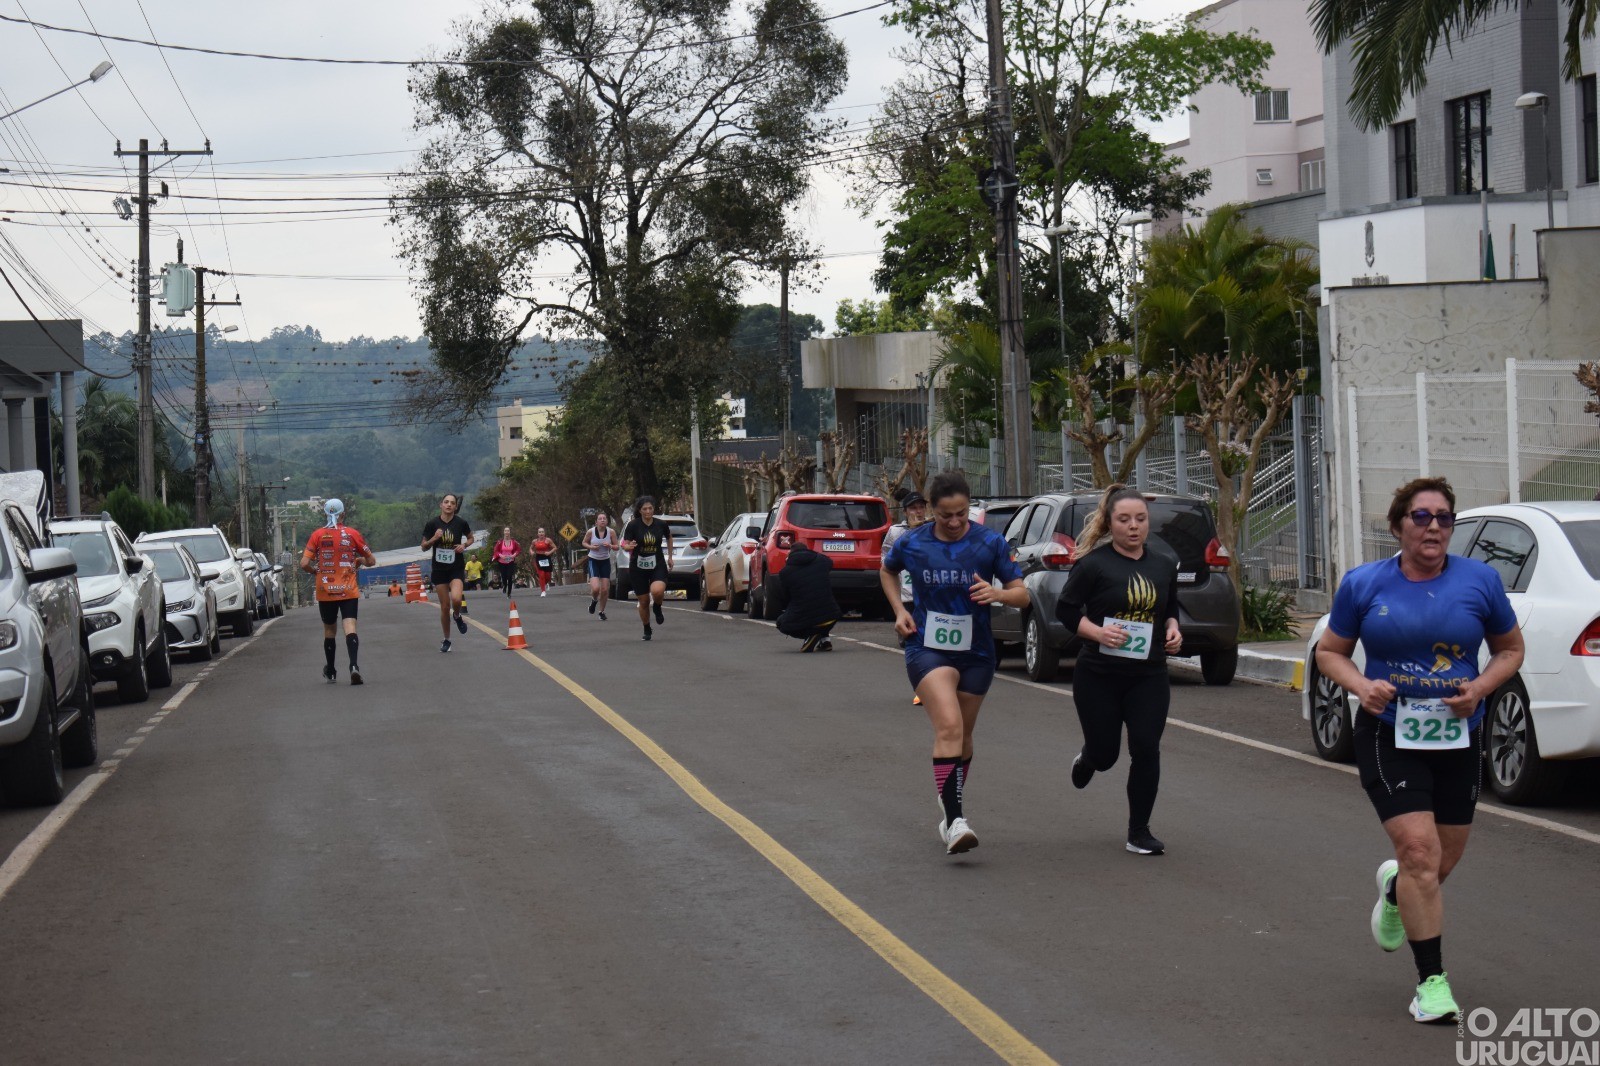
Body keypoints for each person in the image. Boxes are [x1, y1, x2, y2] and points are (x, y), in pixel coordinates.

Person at [1315, 477, 1524, 1025]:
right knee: (1419, 854)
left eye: (1444, 518)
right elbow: (1330, 653)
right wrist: (1362, 687)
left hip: (1459, 734)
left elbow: (1510, 649)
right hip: (1389, 732)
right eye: (1422, 517)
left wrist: (1479, 689)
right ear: (1398, 526)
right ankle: (1432, 984)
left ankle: (1393, 892)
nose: (1434, 527)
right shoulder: (1364, 584)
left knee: (1438, 863)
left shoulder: (1481, 581)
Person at [881, 470, 1026, 855]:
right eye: (947, 515)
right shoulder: (913, 542)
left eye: (962, 513)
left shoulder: (990, 543)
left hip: (978, 651)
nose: (956, 521)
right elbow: (887, 570)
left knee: (963, 734)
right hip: (927, 645)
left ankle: (948, 806)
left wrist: (998, 593)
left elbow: (1022, 596)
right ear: (931, 510)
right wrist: (899, 610)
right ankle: (957, 819)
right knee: (948, 724)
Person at [1055, 483, 1183, 857]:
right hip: (1099, 675)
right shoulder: (1093, 564)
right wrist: (1097, 633)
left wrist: (1173, 630)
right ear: (1110, 523)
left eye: (1140, 519)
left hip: (1149, 675)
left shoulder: (1162, 564)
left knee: (1146, 748)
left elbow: (1170, 608)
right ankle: (1089, 758)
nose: (1133, 526)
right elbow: (1065, 611)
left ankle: (1139, 831)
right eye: (1124, 519)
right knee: (1107, 754)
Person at [300, 498, 376, 685]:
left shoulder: (317, 535)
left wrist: (315, 570)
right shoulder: (352, 534)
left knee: (329, 629)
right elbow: (371, 560)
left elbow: (304, 564)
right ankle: (354, 666)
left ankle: (332, 671)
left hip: (325, 590)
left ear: (326, 513)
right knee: (350, 626)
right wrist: (358, 561)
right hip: (348, 589)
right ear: (343, 514)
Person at [884, 487, 930, 702]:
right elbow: (885, 563)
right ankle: (922, 685)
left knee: (930, 643)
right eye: (913, 508)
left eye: (921, 507)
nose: (918, 512)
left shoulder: (933, 529)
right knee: (910, 643)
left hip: (930, 596)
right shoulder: (896, 532)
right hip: (907, 596)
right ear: (905, 511)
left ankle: (927, 688)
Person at [421, 493, 475, 653]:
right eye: (446, 502)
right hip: (439, 570)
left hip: (456, 567)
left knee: (457, 599)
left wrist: (464, 546)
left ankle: (457, 616)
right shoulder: (432, 524)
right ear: (441, 505)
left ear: (456, 507)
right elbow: (423, 546)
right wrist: (434, 539)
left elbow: (471, 538)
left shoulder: (461, 523)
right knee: (444, 607)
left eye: (452, 503)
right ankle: (447, 640)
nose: (449, 505)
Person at [772, 536, 840, 652]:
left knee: (781, 623)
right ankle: (825, 641)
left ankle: (810, 635)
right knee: (820, 614)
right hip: (832, 615)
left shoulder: (785, 573)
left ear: (790, 555)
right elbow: (830, 563)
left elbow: (785, 597)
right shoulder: (822, 561)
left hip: (805, 616)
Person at [620, 497, 674, 641]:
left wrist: (669, 557)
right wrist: (627, 546)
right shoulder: (633, 526)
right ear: (640, 510)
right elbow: (624, 543)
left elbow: (669, 537)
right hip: (638, 567)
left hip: (657, 563)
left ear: (653, 509)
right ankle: (647, 628)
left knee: (657, 591)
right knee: (643, 601)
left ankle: (657, 606)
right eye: (645, 509)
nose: (648, 511)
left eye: (650, 508)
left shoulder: (661, 524)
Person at [583, 512, 619, 620]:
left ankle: (601, 611)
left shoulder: (611, 532)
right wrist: (591, 547)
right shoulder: (591, 531)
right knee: (595, 589)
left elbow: (617, 547)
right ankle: (594, 601)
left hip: (605, 561)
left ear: (607, 521)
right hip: (593, 560)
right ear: (596, 522)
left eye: (604, 518)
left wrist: (610, 545)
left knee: (604, 589)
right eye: (600, 518)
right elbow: (584, 542)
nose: (602, 520)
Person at [490, 526, 521, 600]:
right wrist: (500, 555)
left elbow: (518, 550)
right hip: (502, 561)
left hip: (510, 561)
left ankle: (509, 593)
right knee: (504, 576)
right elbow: (496, 550)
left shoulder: (513, 542)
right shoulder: (500, 542)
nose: (507, 532)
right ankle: (504, 585)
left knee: (509, 576)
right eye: (505, 531)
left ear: (510, 532)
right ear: (504, 532)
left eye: (508, 531)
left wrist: (514, 555)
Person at [531, 527, 558, 597]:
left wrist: (549, 552)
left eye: (542, 532)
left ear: (544, 533)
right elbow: (530, 548)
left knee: (548, 576)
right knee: (541, 575)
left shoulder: (548, 540)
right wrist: (531, 552)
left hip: (546, 558)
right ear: (537, 534)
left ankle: (545, 584)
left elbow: (555, 547)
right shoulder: (534, 541)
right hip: (538, 558)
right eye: (539, 532)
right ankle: (543, 591)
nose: (541, 533)